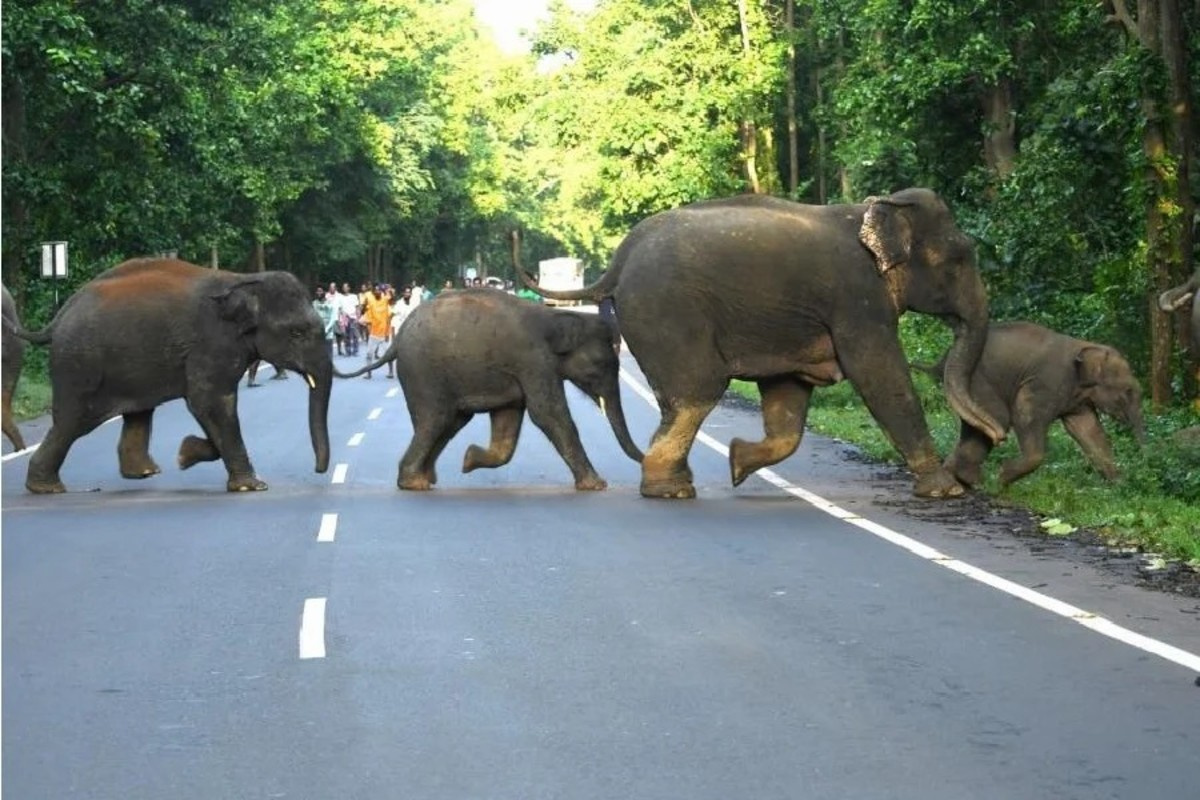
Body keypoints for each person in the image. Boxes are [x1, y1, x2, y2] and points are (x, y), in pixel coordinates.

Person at [361, 284, 393, 378]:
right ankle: (369, 373)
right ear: (373, 292)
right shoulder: (371, 303)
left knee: (389, 355)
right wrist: (369, 331)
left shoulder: (385, 301)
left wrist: (387, 333)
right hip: (374, 333)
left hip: (384, 333)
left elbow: (389, 317)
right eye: (375, 291)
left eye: (379, 290)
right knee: (369, 355)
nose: (377, 292)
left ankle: (391, 372)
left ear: (381, 292)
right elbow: (367, 319)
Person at [312, 285, 338, 358]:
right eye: (317, 291)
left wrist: (327, 329)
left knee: (328, 355)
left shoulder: (330, 303)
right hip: (317, 332)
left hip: (328, 333)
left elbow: (333, 318)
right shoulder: (314, 303)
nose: (318, 293)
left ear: (324, 292)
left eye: (320, 291)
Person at [339, 282, 360, 356]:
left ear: (349, 288)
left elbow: (357, 307)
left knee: (354, 335)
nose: (344, 288)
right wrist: (341, 317)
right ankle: (348, 351)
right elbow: (340, 308)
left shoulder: (354, 296)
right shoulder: (341, 297)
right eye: (343, 287)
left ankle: (355, 351)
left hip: (353, 317)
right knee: (346, 335)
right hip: (345, 318)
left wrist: (358, 317)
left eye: (346, 287)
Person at [327, 282, 345, 356]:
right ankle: (329, 351)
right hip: (328, 318)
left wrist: (342, 318)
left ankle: (339, 349)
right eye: (330, 287)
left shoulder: (339, 296)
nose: (332, 288)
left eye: (333, 287)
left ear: (336, 288)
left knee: (339, 335)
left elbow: (341, 307)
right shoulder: (327, 296)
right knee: (329, 335)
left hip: (337, 317)